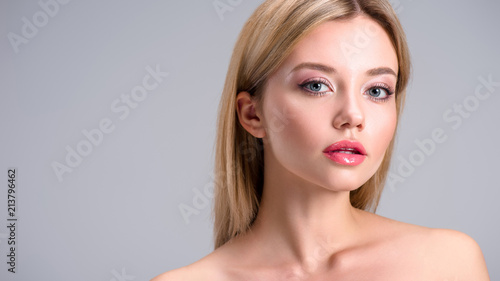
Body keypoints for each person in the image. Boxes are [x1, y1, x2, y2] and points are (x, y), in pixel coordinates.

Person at [152, 0, 490, 279]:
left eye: (377, 90)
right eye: (316, 85)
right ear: (252, 114)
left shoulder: (447, 264)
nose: (353, 116)